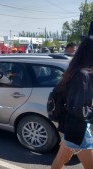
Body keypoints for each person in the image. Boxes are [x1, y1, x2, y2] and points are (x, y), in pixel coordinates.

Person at [51, 36, 93, 169]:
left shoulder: (77, 70)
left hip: (72, 124)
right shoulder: (82, 74)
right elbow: (78, 108)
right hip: (78, 127)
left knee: (63, 157)